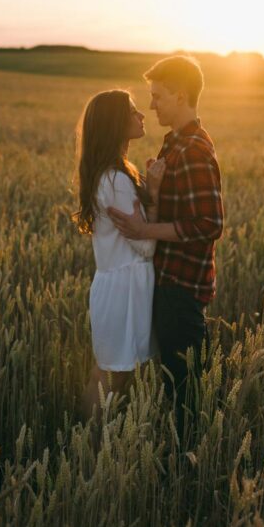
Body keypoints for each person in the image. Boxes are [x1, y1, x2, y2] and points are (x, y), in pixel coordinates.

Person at [107, 55, 224, 441]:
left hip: (181, 288)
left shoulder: (193, 150)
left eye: (158, 96)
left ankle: (190, 471)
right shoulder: (174, 143)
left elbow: (209, 224)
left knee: (186, 397)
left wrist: (144, 229)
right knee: (175, 388)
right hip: (168, 282)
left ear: (180, 94)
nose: (152, 104)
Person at [73, 89, 166, 422]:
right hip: (124, 290)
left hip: (118, 286)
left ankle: (90, 446)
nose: (141, 115)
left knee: (111, 375)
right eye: (132, 111)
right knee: (110, 378)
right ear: (116, 123)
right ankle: (89, 448)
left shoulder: (109, 174)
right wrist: (153, 194)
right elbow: (145, 245)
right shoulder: (117, 180)